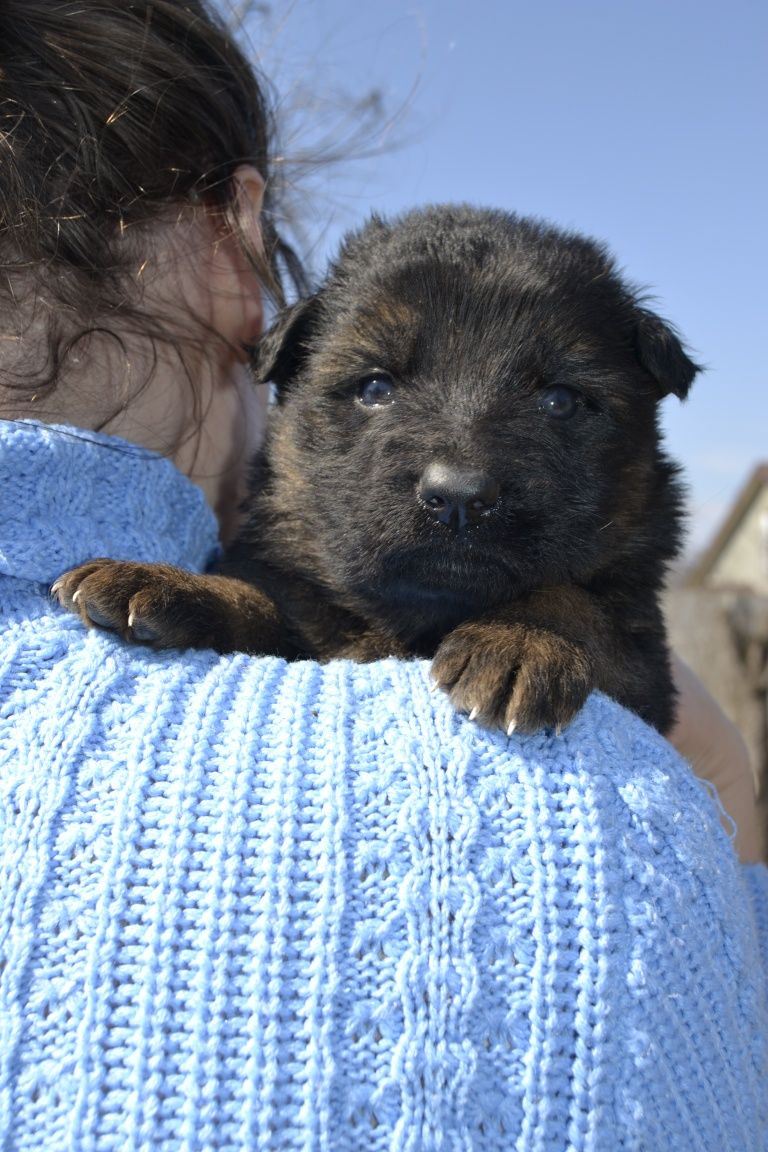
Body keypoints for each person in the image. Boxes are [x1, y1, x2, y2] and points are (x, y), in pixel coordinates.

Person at [0, 3, 765, 1149]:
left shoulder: (593, 612)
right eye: (370, 387)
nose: (459, 464)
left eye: (563, 402)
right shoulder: (610, 810)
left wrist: (564, 624)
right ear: (279, 355)